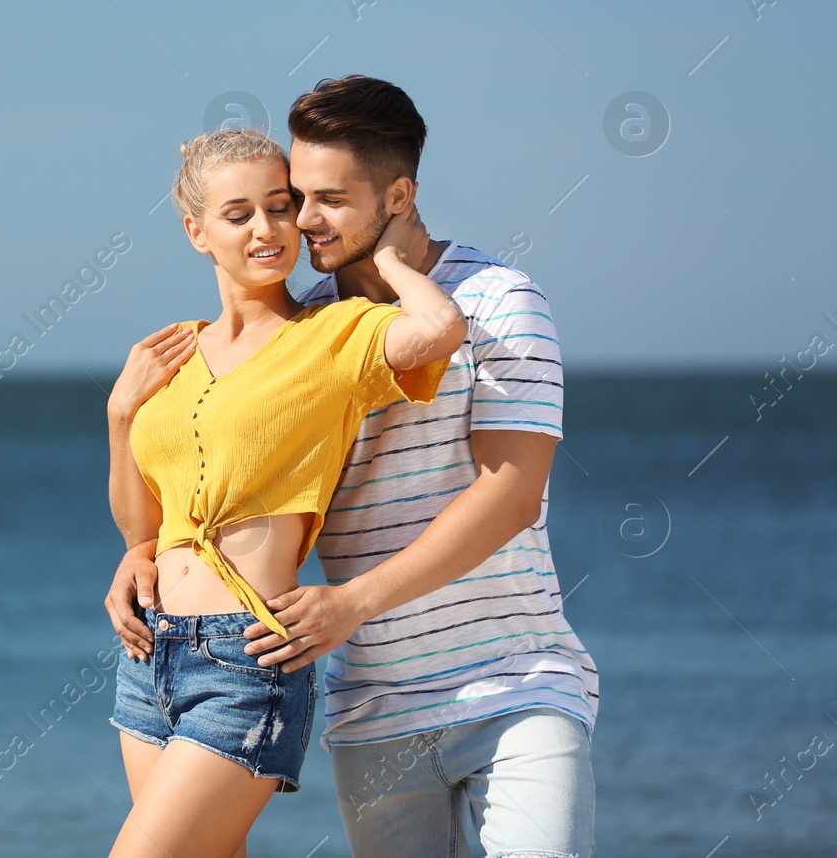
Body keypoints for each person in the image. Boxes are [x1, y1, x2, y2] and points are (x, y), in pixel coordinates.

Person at [105, 76, 598, 857]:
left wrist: (351, 602)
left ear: (398, 194)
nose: (299, 220)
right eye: (291, 196)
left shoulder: (501, 300)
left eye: (323, 199)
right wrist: (142, 546)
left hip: (512, 685)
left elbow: (510, 497)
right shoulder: (311, 317)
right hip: (374, 700)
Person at [103, 126, 464, 858]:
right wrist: (119, 418)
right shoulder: (171, 354)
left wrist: (387, 256)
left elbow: (440, 325)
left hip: (248, 661)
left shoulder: (332, 335)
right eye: (240, 214)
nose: (269, 229)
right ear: (196, 231)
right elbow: (145, 530)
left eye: (281, 205)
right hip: (148, 659)